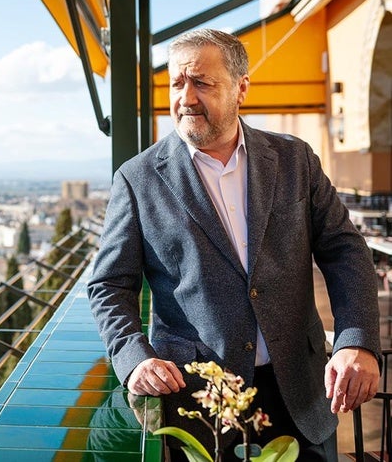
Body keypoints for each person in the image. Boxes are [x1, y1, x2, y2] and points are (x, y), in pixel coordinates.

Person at [87, 28, 381, 461]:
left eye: (202, 82)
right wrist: (134, 358)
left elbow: (345, 250)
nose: (185, 98)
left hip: (301, 394)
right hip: (200, 406)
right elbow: (108, 285)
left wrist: (356, 340)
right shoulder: (138, 179)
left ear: (241, 88)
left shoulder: (294, 159)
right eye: (176, 83)